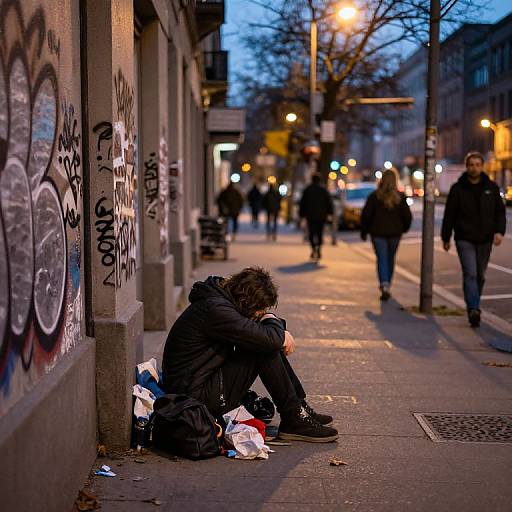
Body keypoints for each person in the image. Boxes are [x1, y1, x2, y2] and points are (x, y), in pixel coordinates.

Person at [162, 266, 338, 443]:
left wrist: (272, 326)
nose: (260, 313)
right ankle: (294, 417)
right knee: (263, 348)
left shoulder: (219, 301)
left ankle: (298, 409)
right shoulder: (217, 310)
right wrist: (272, 321)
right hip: (194, 400)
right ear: (246, 301)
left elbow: (266, 336)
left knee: (263, 342)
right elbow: (269, 339)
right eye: (259, 309)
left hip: (199, 384)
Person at [441, 151, 506, 327]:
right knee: (470, 273)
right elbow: (450, 214)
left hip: (485, 238)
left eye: (477, 165)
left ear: (482, 166)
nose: (474, 168)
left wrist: (499, 232)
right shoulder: (458, 188)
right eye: (471, 165)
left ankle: (473, 302)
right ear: (467, 166)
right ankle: (474, 308)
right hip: (464, 238)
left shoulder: (491, 187)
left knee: (480, 275)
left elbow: (500, 211)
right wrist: (446, 237)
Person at [360, 169, 412, 301]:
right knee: (390, 258)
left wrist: (364, 231)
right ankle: (387, 282)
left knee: (382, 258)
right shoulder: (400, 197)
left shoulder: (374, 196)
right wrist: (403, 229)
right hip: (395, 233)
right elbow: (407, 216)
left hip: (378, 233)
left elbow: (366, 216)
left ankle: (384, 284)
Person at [299, 173, 333, 261]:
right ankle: (319, 249)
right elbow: (329, 203)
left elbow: (303, 203)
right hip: (322, 216)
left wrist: (302, 215)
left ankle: (313, 249)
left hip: (310, 216)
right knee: (320, 233)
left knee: (311, 233)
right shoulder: (324, 190)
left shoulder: (308, 190)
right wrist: (330, 213)